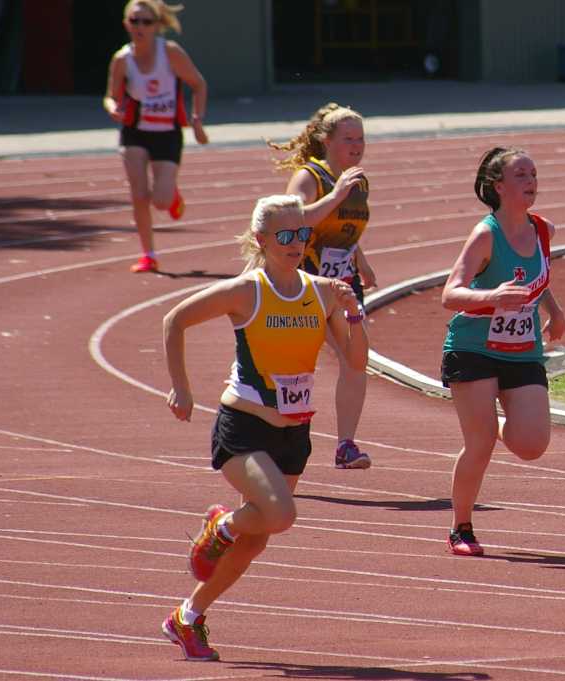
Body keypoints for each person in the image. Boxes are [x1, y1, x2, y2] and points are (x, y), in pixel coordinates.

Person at [160, 194, 368, 661]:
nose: (296, 243)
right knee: (280, 514)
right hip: (245, 427)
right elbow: (175, 321)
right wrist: (182, 389)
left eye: (302, 234)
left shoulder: (321, 291)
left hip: (294, 433)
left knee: (255, 543)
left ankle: (187, 618)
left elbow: (356, 362)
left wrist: (352, 311)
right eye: (285, 236)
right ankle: (220, 525)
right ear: (262, 240)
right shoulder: (246, 291)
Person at [440, 147, 565, 556]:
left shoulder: (542, 229)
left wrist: (554, 310)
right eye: (520, 175)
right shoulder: (486, 234)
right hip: (473, 348)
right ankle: (461, 527)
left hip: (522, 349)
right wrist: (493, 296)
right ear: (498, 187)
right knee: (480, 445)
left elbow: (536, 278)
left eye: (533, 173)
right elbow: (450, 294)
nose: (531, 181)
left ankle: (490, 421)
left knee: (532, 444)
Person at [268, 103, 376, 470]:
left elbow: (343, 228)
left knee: (356, 357)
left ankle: (346, 445)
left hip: (343, 282)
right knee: (296, 364)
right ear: (326, 141)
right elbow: (292, 222)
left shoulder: (355, 180)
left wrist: (361, 259)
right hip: (305, 283)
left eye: (361, 138)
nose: (357, 145)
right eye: (348, 139)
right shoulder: (309, 177)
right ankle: (269, 436)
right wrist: (335, 195)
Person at [103, 0, 209, 273]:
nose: (140, 27)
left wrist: (197, 120)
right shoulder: (122, 59)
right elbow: (110, 96)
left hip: (167, 134)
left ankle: (170, 195)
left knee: (160, 201)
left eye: (146, 22)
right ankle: (148, 254)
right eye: (135, 21)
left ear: (157, 26)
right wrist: (113, 108)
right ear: (127, 24)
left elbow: (198, 84)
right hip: (134, 132)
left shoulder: (170, 53)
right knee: (139, 194)